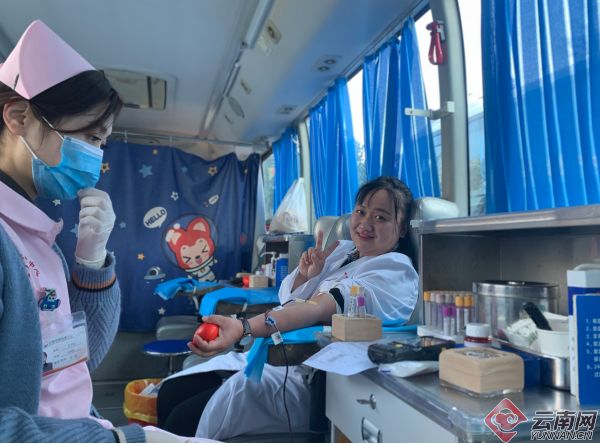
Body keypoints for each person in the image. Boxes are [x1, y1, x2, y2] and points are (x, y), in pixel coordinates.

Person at [0, 20, 214, 443]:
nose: (95, 157)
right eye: (89, 136)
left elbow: (78, 361)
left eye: (102, 143)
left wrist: (92, 263)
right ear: (19, 117)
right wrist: (119, 439)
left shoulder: (36, 237)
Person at [157, 176, 418, 440]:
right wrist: (307, 274)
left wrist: (243, 327)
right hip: (283, 362)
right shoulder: (344, 253)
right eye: (361, 211)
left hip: (319, 382)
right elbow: (288, 300)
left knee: (184, 418)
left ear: (402, 228)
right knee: (172, 391)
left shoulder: (394, 270)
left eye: (380, 217)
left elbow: (316, 308)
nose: (365, 223)